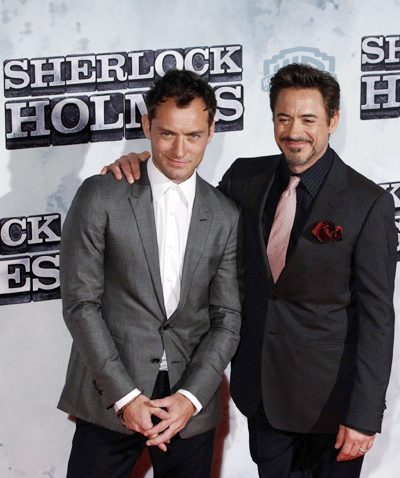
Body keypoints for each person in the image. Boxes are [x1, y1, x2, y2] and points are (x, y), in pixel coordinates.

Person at [102, 63, 397, 478]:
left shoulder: (368, 203)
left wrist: (364, 416)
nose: (294, 131)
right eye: (283, 117)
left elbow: (377, 318)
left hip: (332, 409)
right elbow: (187, 197)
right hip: (262, 398)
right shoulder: (245, 178)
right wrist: (141, 162)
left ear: (332, 121)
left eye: (308, 119)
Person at [58, 69, 244, 478]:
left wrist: (191, 397)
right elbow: (80, 303)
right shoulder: (102, 194)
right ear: (147, 126)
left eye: (193, 135)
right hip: (110, 395)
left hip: (188, 403)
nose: (179, 149)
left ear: (211, 131)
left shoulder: (225, 214)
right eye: (167, 134)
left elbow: (228, 319)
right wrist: (125, 397)